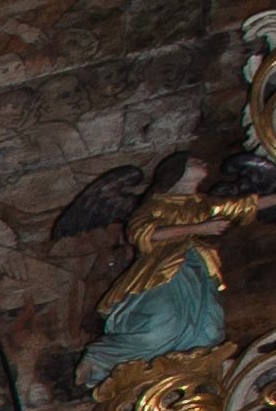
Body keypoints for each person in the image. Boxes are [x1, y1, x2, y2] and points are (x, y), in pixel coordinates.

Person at [66, 154, 266, 389]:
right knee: (158, 329)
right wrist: (198, 228)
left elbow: (244, 206)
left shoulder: (203, 204)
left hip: (197, 269)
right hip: (162, 271)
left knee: (210, 332)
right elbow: (142, 234)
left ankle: (187, 375)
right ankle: (101, 358)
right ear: (176, 171)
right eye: (193, 162)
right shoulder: (157, 204)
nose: (202, 163)